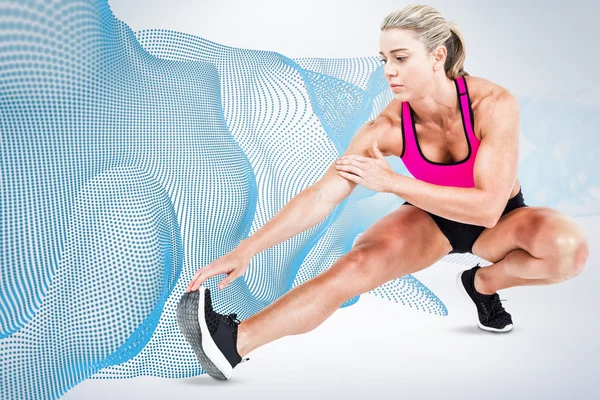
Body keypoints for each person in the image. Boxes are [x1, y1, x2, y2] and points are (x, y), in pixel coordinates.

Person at [177, 4, 590, 380]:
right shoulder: (386, 129)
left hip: (499, 220)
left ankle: (482, 284)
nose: (389, 71)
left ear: (437, 57)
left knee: (568, 248)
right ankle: (233, 343)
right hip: (431, 219)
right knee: (356, 266)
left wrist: (392, 182)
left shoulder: (493, 104)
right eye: (384, 60)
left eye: (400, 58)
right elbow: (322, 196)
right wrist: (248, 249)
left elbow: (486, 208)